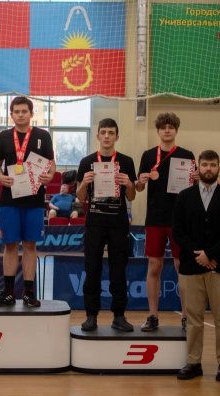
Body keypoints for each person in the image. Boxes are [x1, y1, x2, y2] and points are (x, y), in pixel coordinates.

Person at [172, 150, 220, 381]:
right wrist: (198, 254)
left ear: (218, 167)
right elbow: (178, 231)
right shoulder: (184, 196)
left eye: (212, 164)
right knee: (193, 318)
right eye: (205, 165)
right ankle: (193, 362)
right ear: (198, 168)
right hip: (191, 267)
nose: (208, 168)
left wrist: (210, 254)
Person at [0, 96, 56, 307]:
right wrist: (0, 177)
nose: (20, 115)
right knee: (10, 245)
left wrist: (50, 175)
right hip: (9, 199)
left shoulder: (43, 136)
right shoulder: (3, 136)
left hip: (34, 199)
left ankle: (28, 293)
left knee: (30, 245)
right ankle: (9, 293)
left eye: (24, 111)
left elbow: (51, 164)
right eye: (17, 111)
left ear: (31, 113)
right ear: (11, 114)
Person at [136, 112, 196, 332]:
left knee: (182, 266)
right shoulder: (148, 155)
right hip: (155, 218)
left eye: (171, 127)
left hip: (181, 219)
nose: (167, 130)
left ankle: (187, 317)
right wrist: (141, 181)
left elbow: (194, 188)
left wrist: (197, 180)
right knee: (154, 265)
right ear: (158, 131)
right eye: (163, 127)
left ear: (176, 130)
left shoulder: (187, 155)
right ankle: (152, 315)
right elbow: (139, 187)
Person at [76, 118, 137, 331]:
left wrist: (129, 184)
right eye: (103, 132)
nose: (107, 136)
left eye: (111, 132)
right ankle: (91, 315)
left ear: (117, 136)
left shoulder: (126, 162)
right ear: (98, 135)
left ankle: (119, 315)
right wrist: (84, 183)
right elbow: (80, 197)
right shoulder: (87, 162)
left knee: (118, 270)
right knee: (92, 268)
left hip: (118, 223)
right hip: (94, 222)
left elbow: (131, 197)